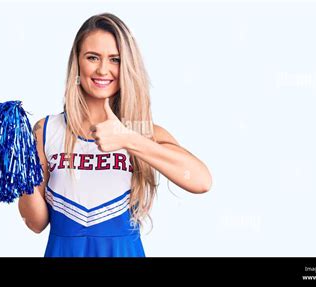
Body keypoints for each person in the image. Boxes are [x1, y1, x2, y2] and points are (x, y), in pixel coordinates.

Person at [18, 13, 212, 257]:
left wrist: (128, 139)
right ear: (77, 62)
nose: (103, 69)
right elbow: (35, 223)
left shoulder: (143, 132)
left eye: (115, 59)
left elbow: (201, 180)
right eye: (92, 57)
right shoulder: (46, 130)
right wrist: (22, 175)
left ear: (127, 66)